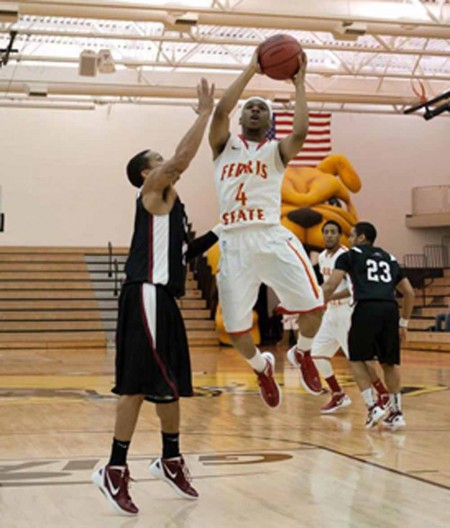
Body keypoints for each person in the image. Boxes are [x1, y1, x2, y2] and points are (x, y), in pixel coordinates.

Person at [91, 78, 215, 516]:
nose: (168, 164)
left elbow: (186, 252)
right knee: (136, 388)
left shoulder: (174, 214)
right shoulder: (151, 194)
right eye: (158, 162)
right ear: (148, 174)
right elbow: (182, 159)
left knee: (172, 387)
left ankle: (170, 458)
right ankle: (114, 469)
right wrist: (204, 114)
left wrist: (230, 227)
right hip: (143, 293)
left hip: (165, 300)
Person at [208, 50, 324, 408]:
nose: (255, 109)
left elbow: (302, 132)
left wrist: (300, 83)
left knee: (315, 310)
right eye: (250, 106)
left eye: (262, 108)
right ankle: (262, 368)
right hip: (234, 243)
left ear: (270, 120)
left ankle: (303, 353)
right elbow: (219, 111)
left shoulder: (276, 150)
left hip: (271, 236)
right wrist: (251, 70)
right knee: (237, 331)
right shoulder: (222, 145)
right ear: (242, 116)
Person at [322, 222, 415, 430]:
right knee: (389, 363)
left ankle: (373, 407)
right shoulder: (389, 258)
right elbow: (409, 292)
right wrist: (404, 324)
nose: (349, 240)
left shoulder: (349, 255)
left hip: (366, 308)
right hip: (390, 310)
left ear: (362, 238)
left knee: (355, 359)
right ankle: (397, 413)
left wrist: (315, 304)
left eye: (352, 236)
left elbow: (330, 285)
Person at [309, 220, 390, 414]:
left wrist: (325, 298)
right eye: (326, 232)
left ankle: (383, 394)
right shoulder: (321, 257)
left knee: (361, 359)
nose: (329, 235)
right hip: (331, 314)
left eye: (333, 232)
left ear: (340, 236)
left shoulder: (347, 256)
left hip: (347, 312)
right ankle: (338, 394)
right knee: (317, 353)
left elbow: (352, 289)